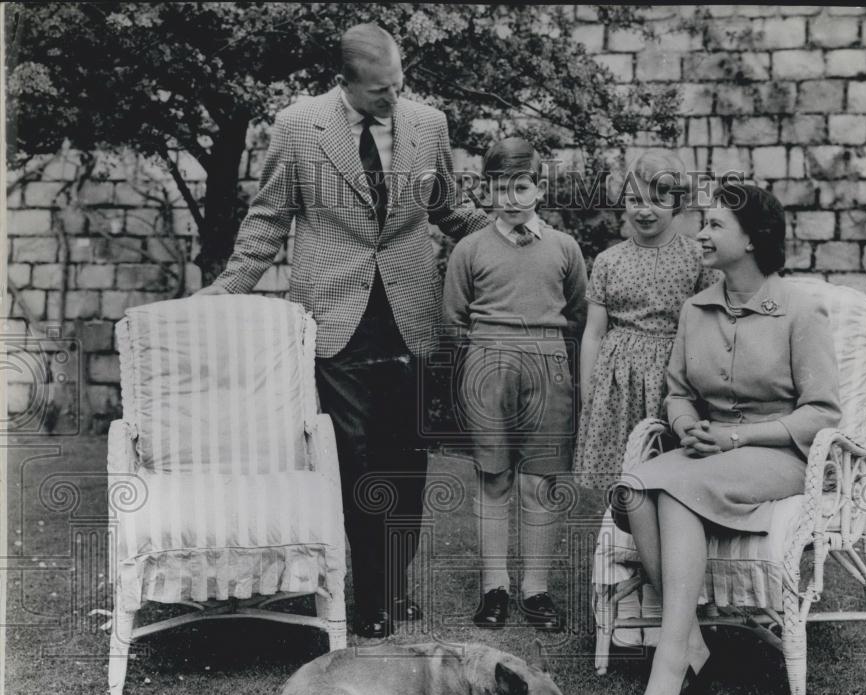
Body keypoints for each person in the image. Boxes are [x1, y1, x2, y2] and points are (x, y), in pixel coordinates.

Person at [198, 23, 490, 638]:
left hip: (411, 315)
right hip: (334, 321)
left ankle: (394, 581)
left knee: (407, 462)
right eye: (382, 92)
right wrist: (225, 290)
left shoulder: (429, 124)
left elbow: (446, 207)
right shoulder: (300, 125)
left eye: (399, 85)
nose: (394, 99)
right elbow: (270, 218)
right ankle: (371, 599)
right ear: (349, 83)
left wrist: (505, 233)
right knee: (354, 463)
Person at [612, 183, 841, 695]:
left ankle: (671, 667)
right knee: (635, 488)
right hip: (709, 451)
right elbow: (677, 393)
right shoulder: (697, 309)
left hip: (779, 456)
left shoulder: (801, 313)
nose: (700, 234)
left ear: (753, 238)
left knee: (677, 492)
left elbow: (822, 414)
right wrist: (687, 425)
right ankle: (691, 639)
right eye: (703, 223)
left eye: (714, 225)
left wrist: (738, 439)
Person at [442, 137, 588, 632]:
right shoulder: (470, 248)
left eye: (520, 187)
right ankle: (495, 586)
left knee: (540, 482)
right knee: (494, 477)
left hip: (548, 364)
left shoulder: (565, 248)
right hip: (488, 364)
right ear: (487, 191)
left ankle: (536, 589)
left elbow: (578, 312)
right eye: (499, 188)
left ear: (539, 189)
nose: (510, 198)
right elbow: (454, 318)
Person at [575, 149, 721, 491]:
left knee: (667, 474)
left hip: (672, 380)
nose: (644, 210)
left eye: (657, 199)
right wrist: (589, 392)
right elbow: (593, 334)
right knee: (616, 479)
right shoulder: (609, 260)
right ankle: (617, 543)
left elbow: (708, 329)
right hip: (616, 381)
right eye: (634, 199)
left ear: (679, 203)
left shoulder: (696, 259)